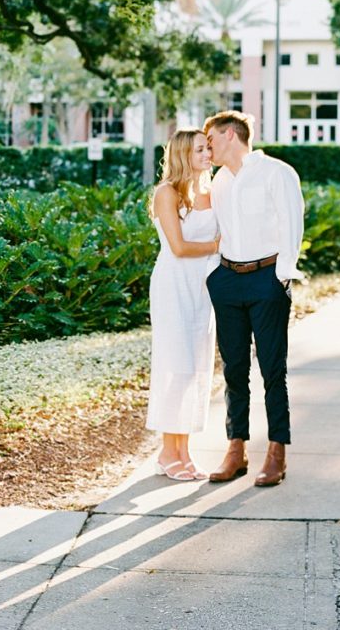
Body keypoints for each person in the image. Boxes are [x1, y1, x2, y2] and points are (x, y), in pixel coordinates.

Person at [203, 110, 303, 487]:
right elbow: (216, 230)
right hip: (228, 280)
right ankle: (236, 448)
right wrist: (216, 274)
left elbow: (293, 224)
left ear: (230, 135)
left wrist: (281, 277)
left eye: (210, 139)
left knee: (272, 370)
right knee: (233, 370)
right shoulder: (218, 182)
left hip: (267, 278)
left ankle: (277, 451)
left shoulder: (277, 172)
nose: (207, 147)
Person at [146, 128, 220, 481]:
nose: (208, 154)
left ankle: (185, 452)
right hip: (174, 285)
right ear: (182, 155)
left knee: (196, 369)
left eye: (208, 148)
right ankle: (166, 452)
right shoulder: (167, 193)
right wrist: (219, 245)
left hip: (202, 288)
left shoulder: (212, 190)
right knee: (176, 367)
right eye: (201, 150)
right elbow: (178, 247)